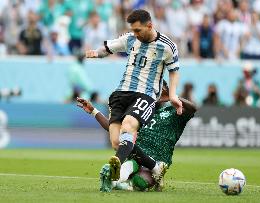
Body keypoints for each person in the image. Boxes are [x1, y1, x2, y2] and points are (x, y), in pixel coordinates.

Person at [85, 9, 183, 187]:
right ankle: (155, 167)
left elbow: (174, 72)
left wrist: (174, 95)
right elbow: (108, 48)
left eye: (138, 30)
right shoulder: (130, 39)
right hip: (121, 93)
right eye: (133, 30)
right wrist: (96, 53)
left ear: (149, 25)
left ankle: (114, 166)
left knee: (128, 127)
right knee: (117, 142)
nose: (135, 34)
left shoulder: (167, 46)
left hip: (145, 94)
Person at [76, 80, 197, 192]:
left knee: (141, 181)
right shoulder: (139, 111)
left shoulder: (173, 111)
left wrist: (172, 97)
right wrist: (94, 111)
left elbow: (192, 108)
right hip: (136, 154)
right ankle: (113, 181)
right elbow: (113, 127)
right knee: (128, 163)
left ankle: (126, 182)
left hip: (159, 158)